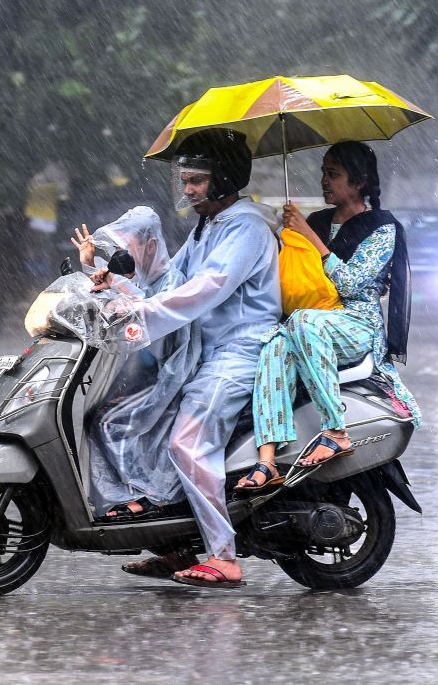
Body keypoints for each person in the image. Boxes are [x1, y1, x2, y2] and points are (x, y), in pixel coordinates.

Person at [90, 129, 281, 587]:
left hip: (240, 352)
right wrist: (114, 288)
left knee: (187, 443)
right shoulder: (208, 225)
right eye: (187, 180)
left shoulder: (247, 227)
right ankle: (175, 546)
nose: (188, 189)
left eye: (197, 180)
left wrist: (143, 315)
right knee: (123, 421)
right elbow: (170, 283)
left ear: (224, 179)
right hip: (200, 352)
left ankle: (223, 557)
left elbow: (206, 288)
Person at [237, 141, 421, 493]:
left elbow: (351, 283)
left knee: (305, 322)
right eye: (323, 173)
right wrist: (288, 236)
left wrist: (310, 237)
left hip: (357, 324)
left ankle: (336, 431)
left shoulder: (383, 228)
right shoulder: (318, 221)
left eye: (333, 174)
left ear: (360, 181)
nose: (324, 181)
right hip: (312, 319)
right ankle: (266, 461)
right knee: (274, 344)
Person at [69, 206, 199, 519]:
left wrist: (117, 284)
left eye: (129, 247)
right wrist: (90, 266)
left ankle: (142, 496)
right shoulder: (140, 278)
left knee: (111, 423)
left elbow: (150, 314)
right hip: (145, 375)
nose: (122, 255)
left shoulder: (172, 281)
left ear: (151, 245)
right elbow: (121, 297)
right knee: (95, 415)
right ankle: (122, 496)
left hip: (171, 378)